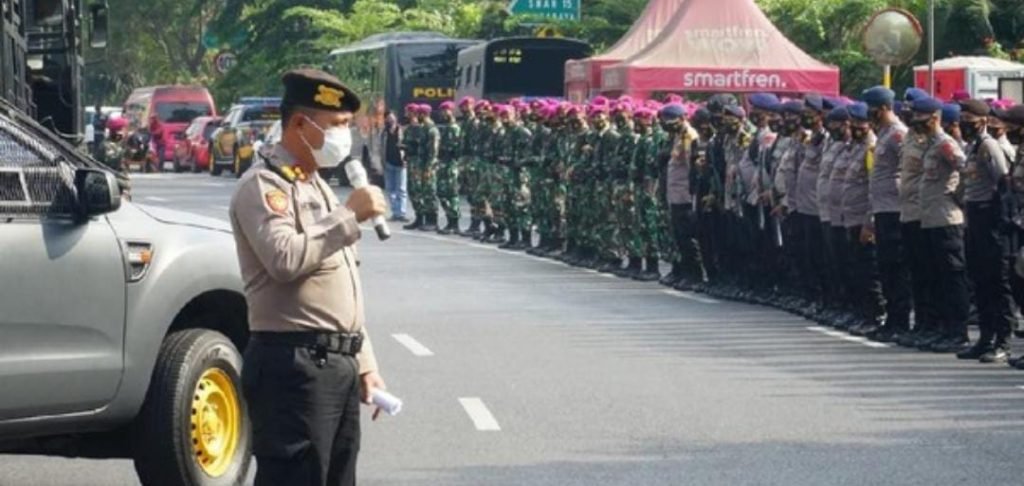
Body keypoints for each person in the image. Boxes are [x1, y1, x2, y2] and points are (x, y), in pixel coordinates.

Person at [229, 68, 387, 486]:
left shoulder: (317, 185)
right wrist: (349, 215)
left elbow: (341, 286)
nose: (345, 136)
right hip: (293, 364)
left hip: (336, 365)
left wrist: (364, 363)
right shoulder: (264, 185)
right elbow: (283, 258)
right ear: (301, 124)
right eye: (337, 124)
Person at [956, 98, 1015, 363]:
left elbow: (1002, 182)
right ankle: (985, 337)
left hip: (989, 218)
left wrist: (997, 219)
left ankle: (1002, 340)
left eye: (969, 120)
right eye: (962, 120)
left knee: (996, 281)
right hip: (974, 219)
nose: (964, 124)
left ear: (982, 121)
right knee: (979, 280)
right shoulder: (972, 146)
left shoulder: (989, 146)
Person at [913, 96, 971, 353]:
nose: (917, 122)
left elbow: (967, 171)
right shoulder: (930, 144)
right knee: (937, 277)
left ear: (935, 118)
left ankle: (958, 332)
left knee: (952, 277)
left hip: (947, 219)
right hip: (931, 219)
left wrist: (957, 197)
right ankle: (944, 329)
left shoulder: (946, 144)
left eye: (921, 118)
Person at [862, 86, 913, 342]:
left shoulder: (897, 134)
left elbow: (907, 169)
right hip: (882, 209)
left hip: (895, 209)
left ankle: (900, 321)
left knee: (896, 267)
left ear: (883, 108)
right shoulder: (882, 134)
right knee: (886, 268)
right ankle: (892, 320)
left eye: (871, 109)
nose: (868, 114)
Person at [435, 101, 462, 234]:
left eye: (446, 111)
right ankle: (449, 219)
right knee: (442, 193)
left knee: (451, 194)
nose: (444, 113)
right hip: (443, 164)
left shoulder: (455, 128)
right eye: (442, 111)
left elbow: (457, 148)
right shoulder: (446, 128)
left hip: (451, 165)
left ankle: (454, 222)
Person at [381, 111, 409, 222]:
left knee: (401, 189)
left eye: (392, 118)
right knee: (390, 190)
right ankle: (395, 213)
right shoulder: (384, 132)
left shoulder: (402, 131)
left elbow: (407, 146)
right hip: (388, 163)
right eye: (388, 118)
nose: (390, 120)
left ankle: (401, 213)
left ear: (396, 119)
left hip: (401, 164)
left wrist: (406, 158)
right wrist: (382, 162)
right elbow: (380, 147)